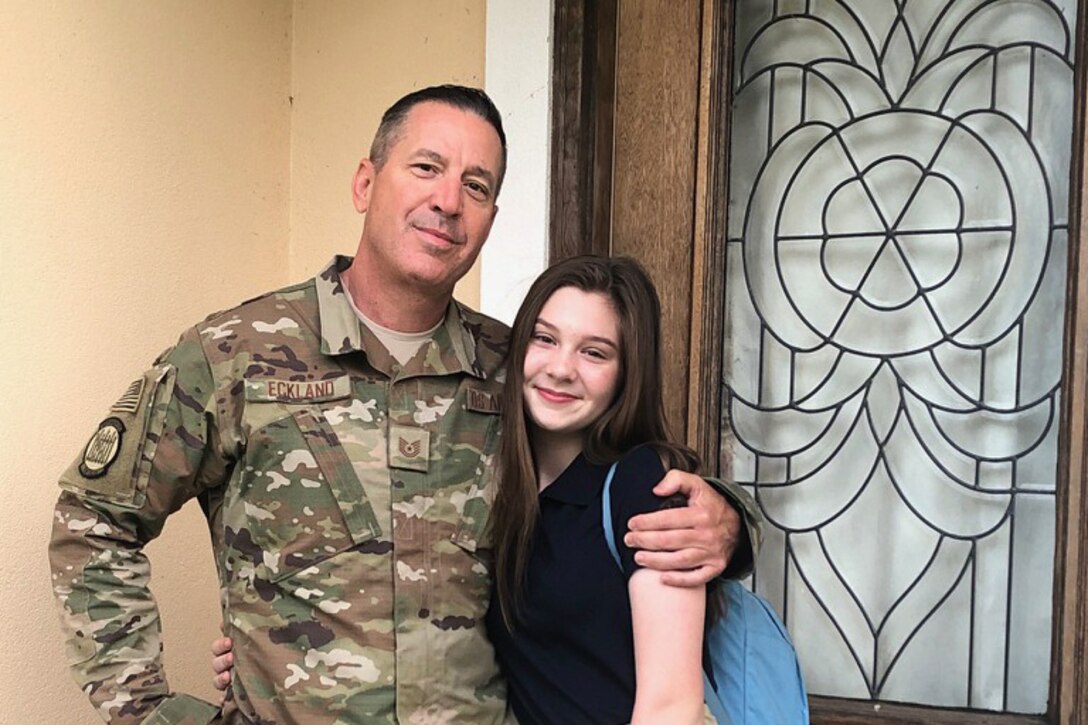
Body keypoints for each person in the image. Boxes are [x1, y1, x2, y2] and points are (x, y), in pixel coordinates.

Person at [49, 85, 759, 724]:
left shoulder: (515, 371)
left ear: (489, 218)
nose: (448, 201)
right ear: (365, 182)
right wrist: (152, 709)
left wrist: (726, 521)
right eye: (426, 167)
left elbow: (613, 466)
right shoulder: (236, 353)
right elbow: (94, 513)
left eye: (475, 185)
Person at [486, 255, 711, 724]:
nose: (561, 368)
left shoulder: (643, 485)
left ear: (626, 375)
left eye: (594, 352)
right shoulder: (496, 479)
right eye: (544, 339)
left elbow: (671, 706)